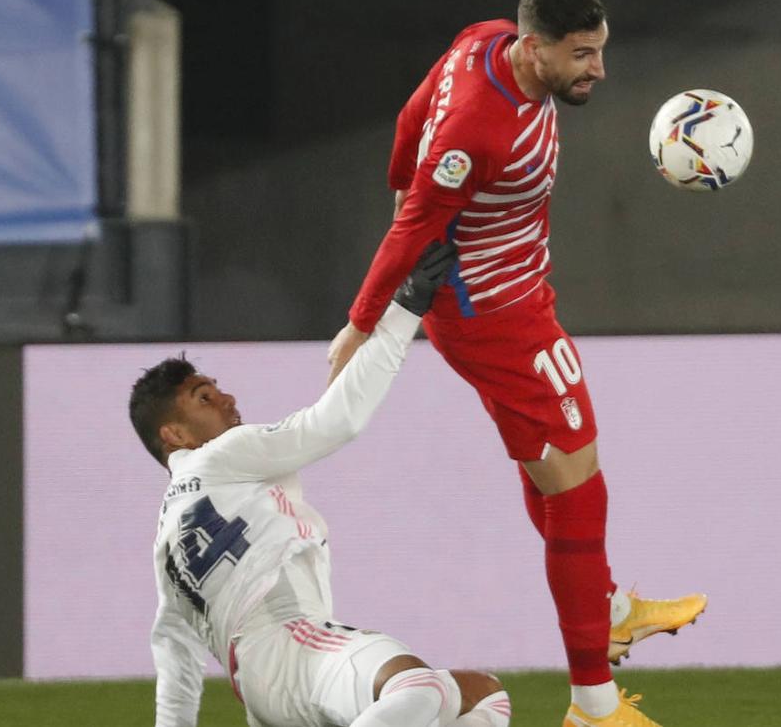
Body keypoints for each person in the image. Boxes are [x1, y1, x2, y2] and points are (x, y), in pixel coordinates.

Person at [326, 0, 707, 727]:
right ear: (535, 49)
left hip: (519, 294)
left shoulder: (482, 37)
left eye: (600, 50)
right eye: (582, 55)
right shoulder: (479, 127)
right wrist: (360, 325)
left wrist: (403, 179)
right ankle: (594, 705)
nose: (597, 68)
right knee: (579, 486)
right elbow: (411, 229)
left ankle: (606, 606)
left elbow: (410, 116)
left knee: (557, 474)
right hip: (491, 314)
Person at [132, 243, 511, 727]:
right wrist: (405, 309)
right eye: (203, 397)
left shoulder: (168, 539)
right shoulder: (222, 455)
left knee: (483, 697)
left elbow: (176, 658)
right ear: (175, 435)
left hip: (260, 688)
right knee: (421, 685)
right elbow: (334, 422)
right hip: (292, 641)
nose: (226, 398)